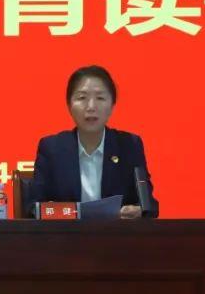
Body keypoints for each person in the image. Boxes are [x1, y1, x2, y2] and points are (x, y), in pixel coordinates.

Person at [28, 65, 159, 219]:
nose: (91, 107)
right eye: (82, 98)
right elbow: (33, 207)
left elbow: (149, 205)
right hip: (66, 234)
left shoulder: (129, 145)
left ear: (112, 105)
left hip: (116, 233)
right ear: (69, 105)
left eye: (100, 98)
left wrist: (139, 211)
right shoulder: (52, 148)